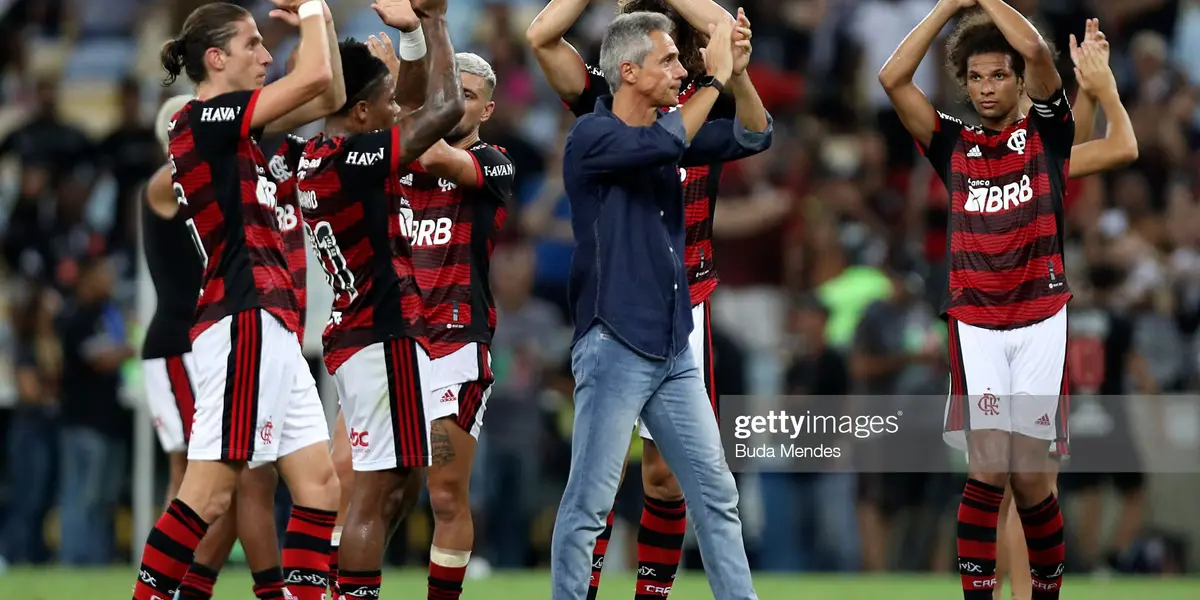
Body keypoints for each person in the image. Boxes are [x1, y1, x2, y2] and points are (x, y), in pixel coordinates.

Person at [525, 1, 745, 595]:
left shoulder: (698, 100)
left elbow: (747, 109)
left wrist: (727, 73)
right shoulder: (603, 117)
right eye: (663, 54)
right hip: (618, 322)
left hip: (682, 314)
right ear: (630, 67)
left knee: (695, 486)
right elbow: (542, 36)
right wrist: (715, 76)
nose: (676, 66)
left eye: (677, 52)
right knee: (595, 494)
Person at [130, 2, 347, 599]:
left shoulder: (236, 130)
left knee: (320, 487)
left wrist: (324, 22)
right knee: (208, 493)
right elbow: (313, 77)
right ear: (216, 58)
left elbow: (329, 94)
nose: (266, 55)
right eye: (253, 44)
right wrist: (310, 9)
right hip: (243, 317)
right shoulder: (203, 119)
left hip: (272, 320)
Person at [879, 0, 1079, 598]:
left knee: (1032, 481)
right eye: (975, 77)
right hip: (976, 323)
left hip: (1040, 316)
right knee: (988, 469)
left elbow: (1037, 50)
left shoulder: (1048, 131)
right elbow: (892, 79)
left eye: (998, 74)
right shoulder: (952, 143)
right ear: (964, 85)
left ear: (1019, 82)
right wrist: (946, 8)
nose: (986, 87)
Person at [296, 0, 465, 597]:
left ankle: (343, 585)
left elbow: (411, 102)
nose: (397, 110)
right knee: (375, 490)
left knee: (401, 486)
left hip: (364, 331)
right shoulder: (353, 162)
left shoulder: (317, 156)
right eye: (385, 102)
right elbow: (444, 109)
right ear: (361, 112)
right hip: (381, 333)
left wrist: (411, 39)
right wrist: (436, 21)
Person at [993, 19, 1140, 600]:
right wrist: (1103, 88)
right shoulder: (1029, 154)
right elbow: (1121, 146)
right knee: (1031, 488)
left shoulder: (987, 151)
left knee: (1006, 488)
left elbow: (1068, 141)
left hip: (990, 324)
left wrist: (1088, 87)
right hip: (1030, 325)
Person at [372, 33, 515, 597]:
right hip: (391, 340)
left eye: (467, 96)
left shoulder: (494, 164)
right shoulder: (397, 160)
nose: (456, 104)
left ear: (487, 110)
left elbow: (434, 154)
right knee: (363, 486)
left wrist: (404, 83)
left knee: (447, 494)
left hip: (454, 344)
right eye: (450, 92)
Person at [142, 96, 289, 600]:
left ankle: (186, 586)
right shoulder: (168, 181)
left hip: (209, 336)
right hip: (179, 344)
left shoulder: (203, 175)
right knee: (199, 475)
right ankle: (166, 583)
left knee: (226, 476)